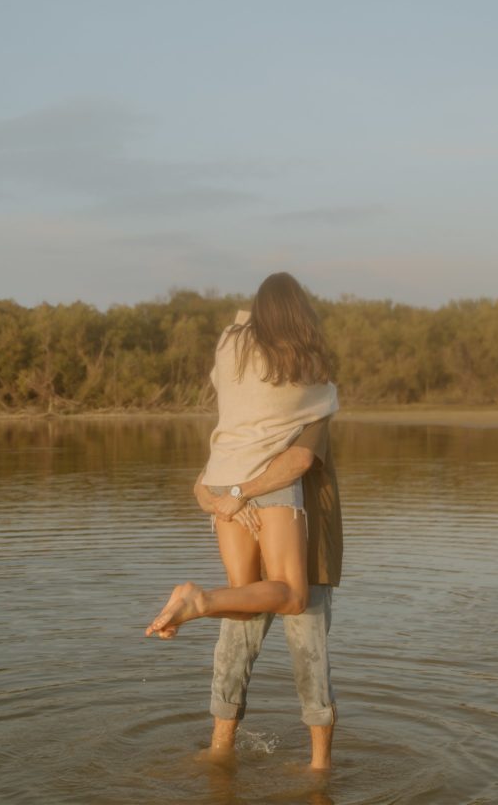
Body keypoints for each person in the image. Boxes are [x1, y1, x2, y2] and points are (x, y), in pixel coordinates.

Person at [145, 274, 342, 766]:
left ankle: (219, 753)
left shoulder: (232, 355)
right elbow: (296, 464)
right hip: (286, 516)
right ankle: (319, 769)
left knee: (240, 621)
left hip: (222, 484)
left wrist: (219, 493)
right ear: (301, 318)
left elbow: (238, 330)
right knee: (301, 623)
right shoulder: (309, 378)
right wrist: (244, 493)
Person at [194, 415, 342, 770]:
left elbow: (297, 462)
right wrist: (222, 502)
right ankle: (220, 748)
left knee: (310, 664)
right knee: (231, 658)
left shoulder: (311, 413)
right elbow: (201, 485)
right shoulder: (248, 420)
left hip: (309, 563)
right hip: (252, 570)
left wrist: (239, 493)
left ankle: (319, 767)